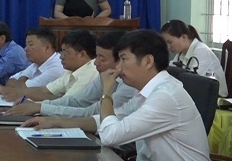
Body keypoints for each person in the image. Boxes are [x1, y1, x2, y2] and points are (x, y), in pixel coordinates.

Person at [23, 30, 211, 161]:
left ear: (147, 61)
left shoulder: (165, 97)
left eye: (123, 59)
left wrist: (107, 93)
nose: (118, 67)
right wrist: (55, 121)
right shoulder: (147, 92)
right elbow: (108, 119)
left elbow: (110, 135)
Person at [8, 31, 138, 118]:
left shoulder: (128, 86)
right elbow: (76, 101)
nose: (96, 62)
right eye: (97, 56)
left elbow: (92, 113)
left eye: (102, 59)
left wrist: (41, 108)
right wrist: (39, 106)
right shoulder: (103, 75)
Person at [0, 29, 97, 103]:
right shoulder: (71, 70)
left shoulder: (90, 73)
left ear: (82, 55)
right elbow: (46, 90)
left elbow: (66, 103)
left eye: (65, 52)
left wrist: (25, 96)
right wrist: (8, 91)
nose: (61, 57)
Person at [160, 19, 228, 96]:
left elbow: (193, 82)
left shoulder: (201, 51)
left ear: (184, 37)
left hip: (216, 98)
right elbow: (170, 72)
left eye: (170, 42)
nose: (168, 47)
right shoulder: (181, 53)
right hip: (196, 93)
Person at [0, 28, 65, 96]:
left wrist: (21, 81)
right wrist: (22, 82)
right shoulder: (37, 63)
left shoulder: (57, 67)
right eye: (26, 45)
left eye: (31, 45)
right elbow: (11, 80)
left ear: (47, 47)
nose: (25, 49)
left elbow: (25, 91)